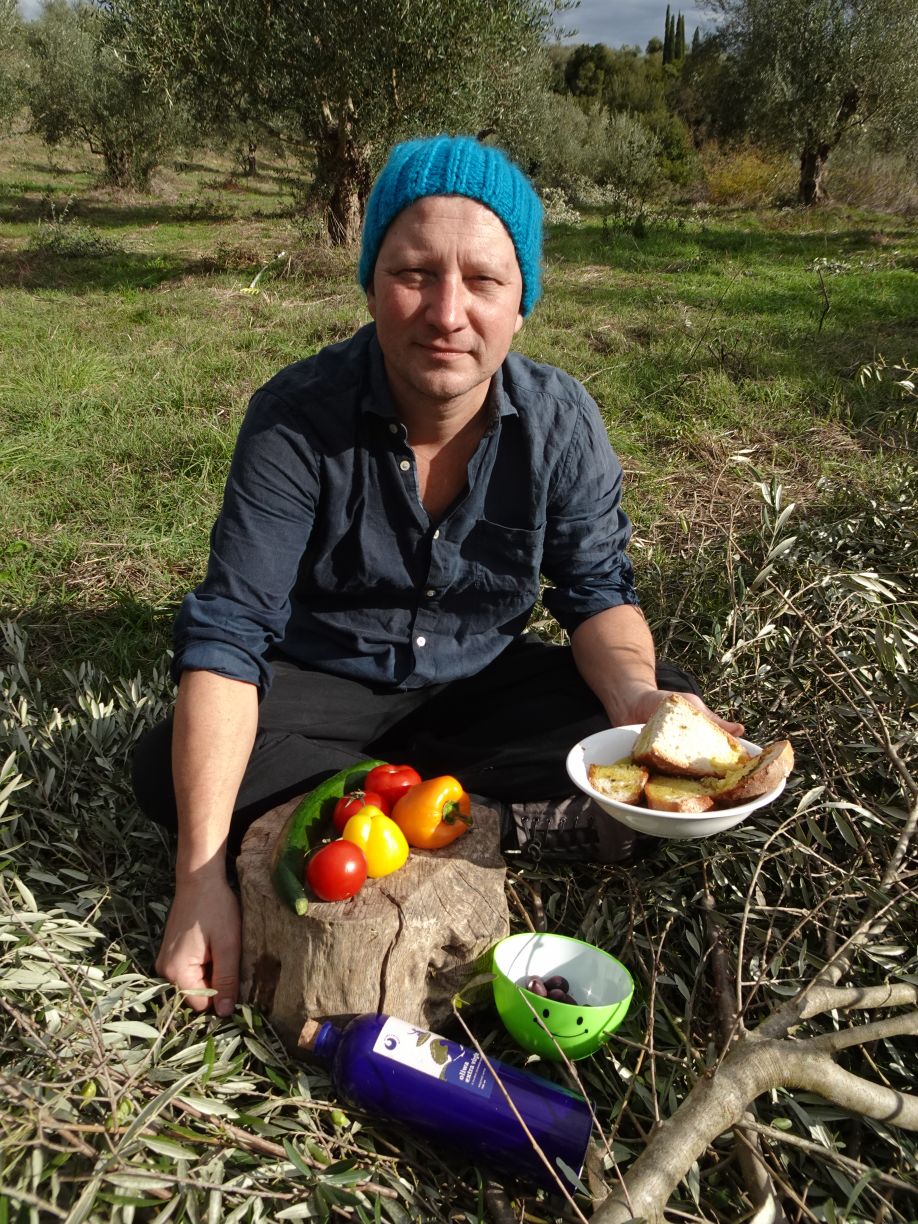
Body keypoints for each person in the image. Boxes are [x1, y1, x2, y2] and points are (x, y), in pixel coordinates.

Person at [132, 135, 741, 1017]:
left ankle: (390, 805)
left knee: (661, 716)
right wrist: (198, 881)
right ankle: (471, 815)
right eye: (415, 272)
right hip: (325, 680)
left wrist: (638, 706)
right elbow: (230, 635)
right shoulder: (295, 420)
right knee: (167, 770)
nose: (446, 312)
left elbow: (598, 593)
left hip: (477, 682)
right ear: (373, 283)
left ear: (521, 301)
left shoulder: (561, 421)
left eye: (484, 281)